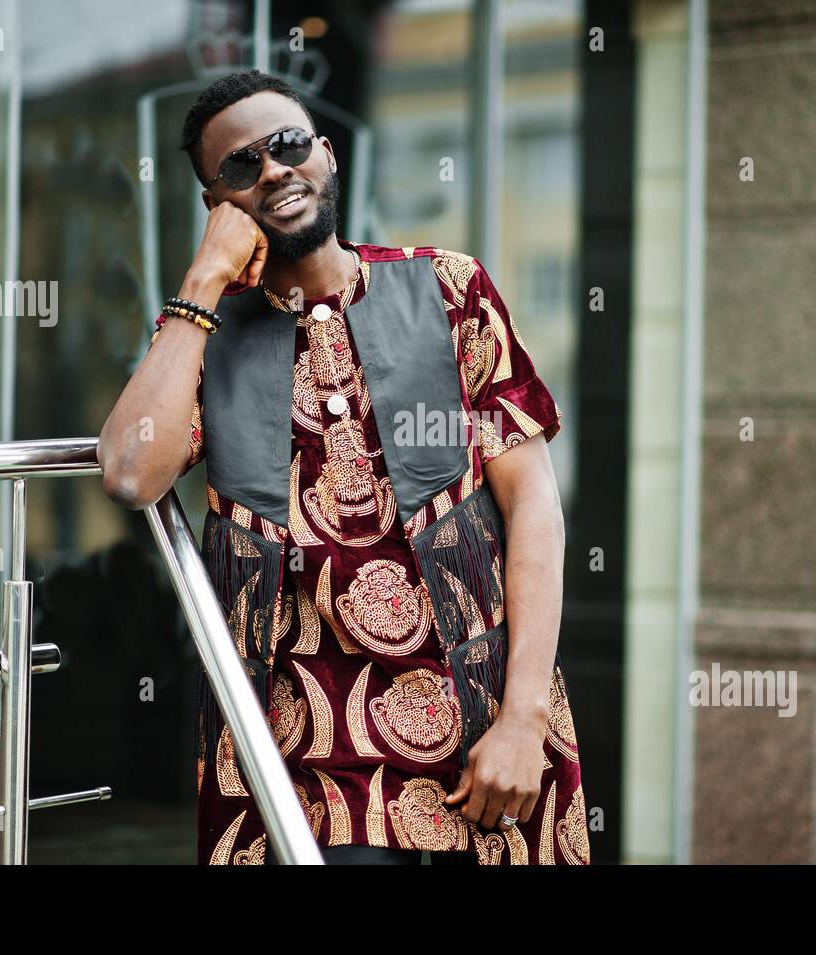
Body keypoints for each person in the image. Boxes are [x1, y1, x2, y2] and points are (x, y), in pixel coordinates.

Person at [98, 70, 588, 865]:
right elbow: (128, 470)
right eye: (239, 167)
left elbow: (532, 498)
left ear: (325, 154)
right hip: (309, 751)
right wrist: (203, 282)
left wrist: (524, 714)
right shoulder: (203, 340)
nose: (274, 171)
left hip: (488, 714)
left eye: (288, 146)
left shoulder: (448, 289)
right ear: (215, 205)